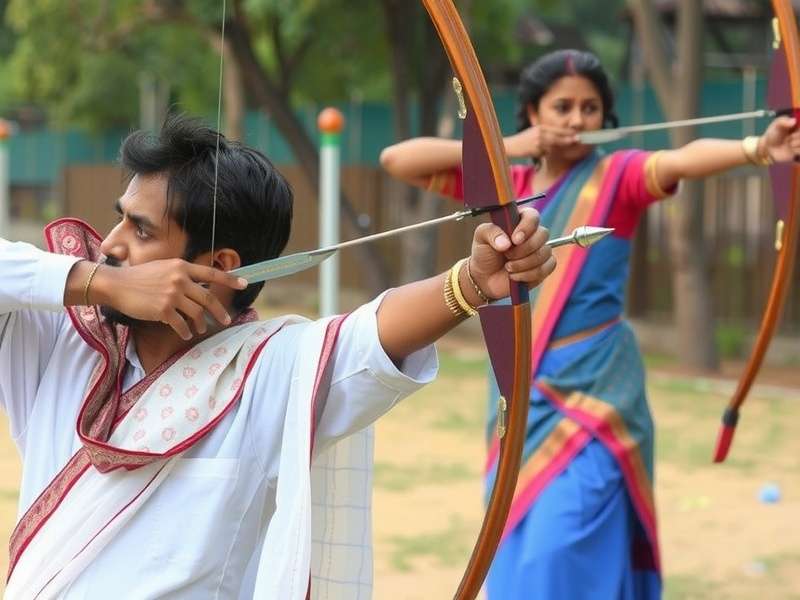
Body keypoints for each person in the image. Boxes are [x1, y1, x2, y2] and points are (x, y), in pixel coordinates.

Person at [0, 114, 556, 599]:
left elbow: (370, 334)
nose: (112, 243)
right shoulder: (59, 339)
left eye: (141, 230)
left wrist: (475, 281)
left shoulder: (271, 369)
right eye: (120, 217)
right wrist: (98, 282)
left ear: (218, 264)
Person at [380, 49, 800, 599]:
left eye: (591, 108)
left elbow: (678, 161)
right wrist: (506, 148)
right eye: (562, 106)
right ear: (532, 111)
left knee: (567, 538)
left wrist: (757, 150)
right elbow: (396, 159)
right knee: (515, 531)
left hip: (597, 392)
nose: (577, 120)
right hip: (520, 389)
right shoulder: (508, 186)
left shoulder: (617, 174)